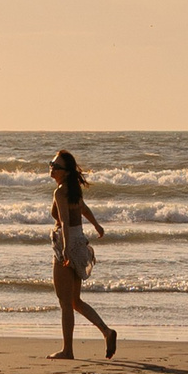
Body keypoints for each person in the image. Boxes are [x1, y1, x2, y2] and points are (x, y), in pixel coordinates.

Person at [46, 149, 118, 360]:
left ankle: (67, 350)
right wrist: (96, 225)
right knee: (75, 301)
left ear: (66, 172)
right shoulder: (74, 191)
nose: (52, 168)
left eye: (56, 166)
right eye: (51, 163)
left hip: (67, 244)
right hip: (80, 242)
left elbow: (65, 222)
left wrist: (65, 248)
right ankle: (106, 331)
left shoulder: (60, 192)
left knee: (65, 303)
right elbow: (83, 209)